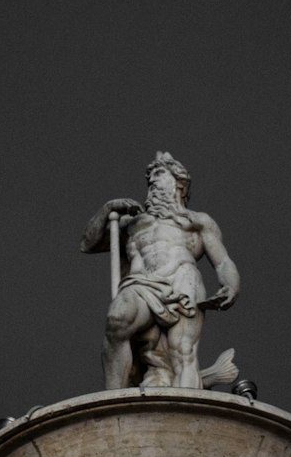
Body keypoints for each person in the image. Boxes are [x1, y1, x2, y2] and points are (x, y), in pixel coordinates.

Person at [80, 152, 240, 390]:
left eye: (159, 173)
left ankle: (186, 415)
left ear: (179, 181)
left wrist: (231, 285)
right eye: (150, 178)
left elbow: (223, 261)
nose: (152, 181)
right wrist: (107, 209)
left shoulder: (197, 221)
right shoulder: (131, 223)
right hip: (140, 284)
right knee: (117, 321)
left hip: (182, 280)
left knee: (182, 352)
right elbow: (88, 243)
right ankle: (113, 404)